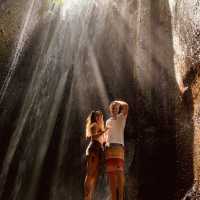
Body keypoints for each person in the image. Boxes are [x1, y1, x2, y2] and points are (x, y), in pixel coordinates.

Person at [105, 100, 129, 200]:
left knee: (120, 178)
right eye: (113, 108)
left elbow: (126, 106)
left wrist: (116, 101)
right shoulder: (108, 121)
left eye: (116, 108)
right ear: (110, 110)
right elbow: (106, 136)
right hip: (110, 150)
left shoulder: (121, 118)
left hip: (119, 149)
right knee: (112, 180)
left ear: (118, 109)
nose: (114, 109)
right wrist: (105, 144)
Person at [84, 110, 107, 200]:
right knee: (90, 174)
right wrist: (105, 131)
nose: (99, 118)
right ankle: (87, 197)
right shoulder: (94, 125)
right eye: (97, 116)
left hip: (98, 151)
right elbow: (93, 136)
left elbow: (103, 140)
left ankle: (89, 197)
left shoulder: (101, 127)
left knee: (93, 175)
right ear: (94, 118)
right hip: (93, 150)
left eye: (100, 116)